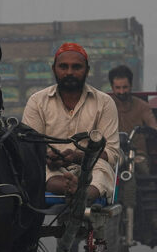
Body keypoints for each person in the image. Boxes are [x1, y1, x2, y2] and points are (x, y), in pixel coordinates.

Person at [21, 42, 120, 202]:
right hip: (52, 168)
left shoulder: (104, 102)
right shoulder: (37, 101)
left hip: (89, 166)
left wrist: (76, 157)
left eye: (76, 67)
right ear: (54, 69)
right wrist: (48, 157)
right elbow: (29, 147)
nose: (69, 72)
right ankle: (72, 188)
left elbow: (112, 154)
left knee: (103, 170)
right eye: (63, 67)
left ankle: (84, 194)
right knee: (40, 170)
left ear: (87, 70)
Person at [108, 66, 157, 231]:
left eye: (125, 87)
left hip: (136, 154)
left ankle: (154, 218)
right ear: (112, 88)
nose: (122, 91)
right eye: (118, 88)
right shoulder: (104, 105)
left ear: (131, 86)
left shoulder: (141, 106)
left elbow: (151, 122)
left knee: (145, 172)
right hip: (109, 154)